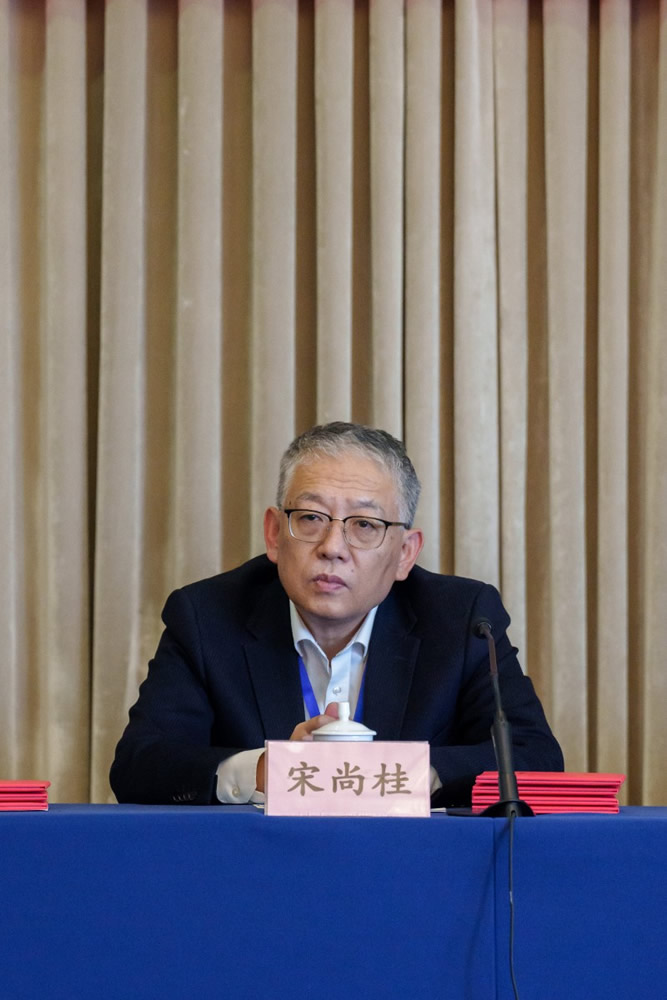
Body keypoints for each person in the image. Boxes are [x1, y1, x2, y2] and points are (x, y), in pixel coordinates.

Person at [110, 422, 563, 807]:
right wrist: (267, 770)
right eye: (311, 518)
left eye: (364, 525)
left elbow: (535, 757)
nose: (332, 548)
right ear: (274, 534)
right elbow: (140, 765)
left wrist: (395, 773)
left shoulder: (462, 620)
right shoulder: (207, 617)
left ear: (405, 553)